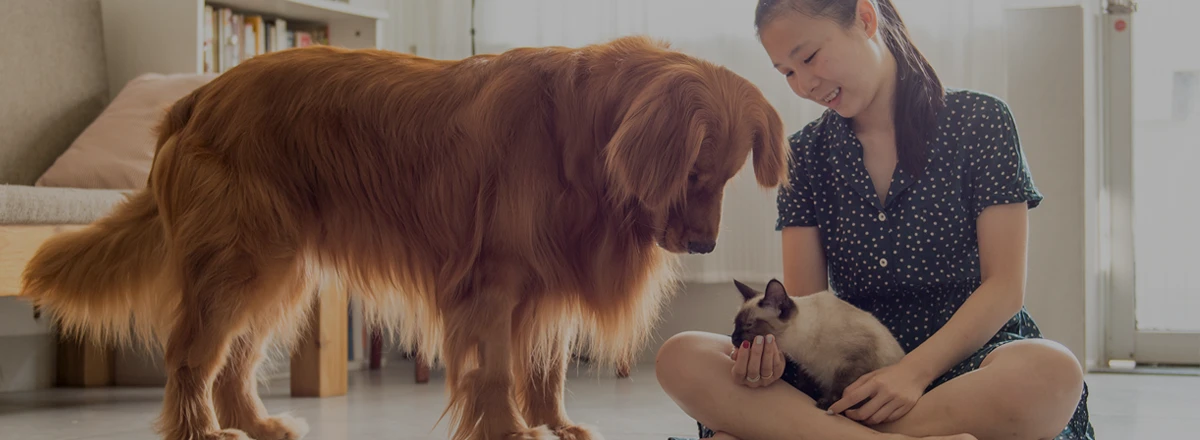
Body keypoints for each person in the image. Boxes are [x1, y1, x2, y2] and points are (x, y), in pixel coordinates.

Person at [654, 0, 1096, 439]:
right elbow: (805, 304)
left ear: (865, 18)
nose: (805, 83)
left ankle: (815, 433)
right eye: (787, 72)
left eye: (808, 57)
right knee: (682, 356)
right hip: (843, 374)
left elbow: (1003, 287)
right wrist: (769, 356)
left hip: (966, 365)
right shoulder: (804, 156)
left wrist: (910, 374)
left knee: (1050, 371)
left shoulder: (982, 122)